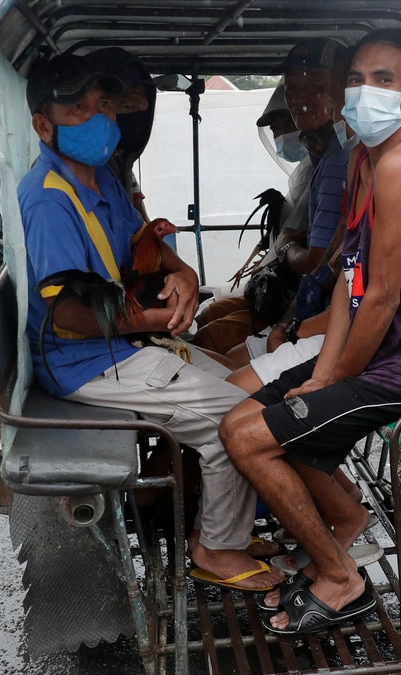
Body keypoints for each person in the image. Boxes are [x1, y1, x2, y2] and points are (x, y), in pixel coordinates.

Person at [220, 29, 401, 635]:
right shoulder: (365, 160)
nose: (363, 92)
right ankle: (348, 523)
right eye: (356, 78)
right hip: (370, 354)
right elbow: (350, 284)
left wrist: (330, 380)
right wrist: (322, 373)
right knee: (238, 420)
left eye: (384, 80)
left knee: (252, 441)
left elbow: (381, 299)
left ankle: (340, 580)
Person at [18, 51, 281, 592]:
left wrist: (182, 272)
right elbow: (67, 314)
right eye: (77, 108)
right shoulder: (48, 198)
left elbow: (143, 243)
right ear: (43, 125)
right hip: (84, 361)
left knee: (247, 391)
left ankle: (221, 520)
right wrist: (153, 320)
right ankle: (215, 547)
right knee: (234, 421)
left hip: (122, 345)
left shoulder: (101, 179)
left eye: (105, 105)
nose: (99, 118)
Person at [193, 39, 351, 355]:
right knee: (208, 325)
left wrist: (286, 246)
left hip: (320, 317)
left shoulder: (340, 162)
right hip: (307, 306)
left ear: (339, 90)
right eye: (292, 89)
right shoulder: (326, 158)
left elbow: (319, 265)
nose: (297, 101)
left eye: (314, 89)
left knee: (210, 342)